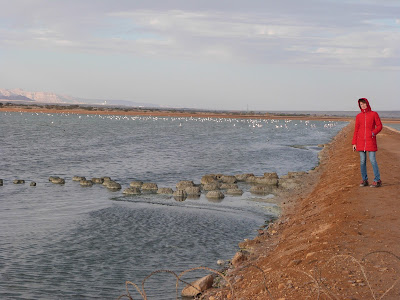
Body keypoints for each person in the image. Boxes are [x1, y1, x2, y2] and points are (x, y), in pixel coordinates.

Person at [352, 98, 382, 187]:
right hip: (360, 142)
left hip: (370, 141)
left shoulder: (374, 114)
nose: (363, 105)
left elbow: (380, 126)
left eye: (364, 104)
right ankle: (364, 180)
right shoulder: (358, 116)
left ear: (367, 104)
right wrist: (354, 143)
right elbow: (356, 130)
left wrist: (373, 133)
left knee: (372, 160)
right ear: (359, 106)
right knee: (362, 161)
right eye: (361, 104)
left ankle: (377, 180)